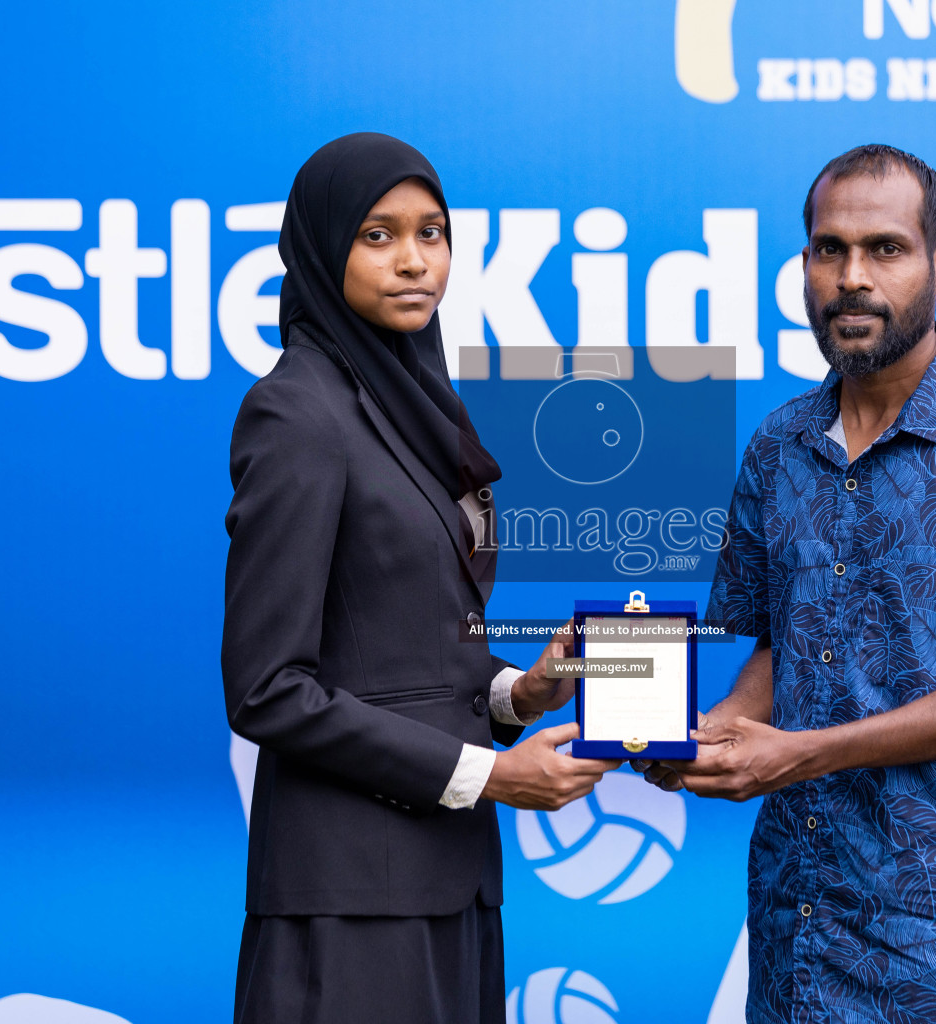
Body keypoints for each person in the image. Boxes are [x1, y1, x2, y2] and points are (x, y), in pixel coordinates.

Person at [644, 145, 936, 1023]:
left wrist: (804, 752)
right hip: (801, 948)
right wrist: (706, 736)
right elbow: (782, 650)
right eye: (829, 250)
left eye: (884, 249)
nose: (852, 277)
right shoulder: (780, 444)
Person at [221, 132, 617, 1024]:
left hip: (452, 883)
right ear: (323, 248)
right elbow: (267, 689)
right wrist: (489, 774)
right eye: (377, 235)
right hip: (349, 900)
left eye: (431, 233)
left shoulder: (416, 402)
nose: (413, 261)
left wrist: (523, 690)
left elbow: (409, 645)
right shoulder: (298, 411)